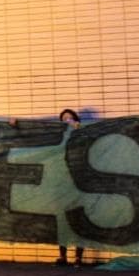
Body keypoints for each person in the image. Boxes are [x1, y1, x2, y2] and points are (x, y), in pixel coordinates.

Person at [55, 108, 85, 267]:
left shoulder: (82, 131)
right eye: (64, 119)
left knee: (80, 221)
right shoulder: (57, 135)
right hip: (62, 183)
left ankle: (78, 257)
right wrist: (15, 124)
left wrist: (77, 129)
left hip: (78, 183)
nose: (67, 121)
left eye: (70, 118)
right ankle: (62, 256)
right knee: (62, 221)